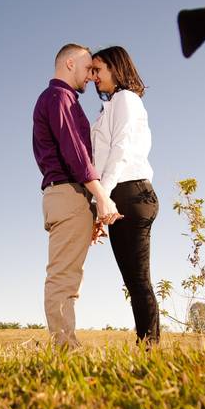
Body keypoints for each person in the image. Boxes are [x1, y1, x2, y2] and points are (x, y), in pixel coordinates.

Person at [32, 43, 121, 348]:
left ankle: (66, 344)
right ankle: (65, 349)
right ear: (70, 64)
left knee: (69, 277)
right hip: (67, 193)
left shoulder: (62, 98)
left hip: (71, 196)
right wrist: (102, 197)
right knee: (64, 277)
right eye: (87, 69)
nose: (91, 77)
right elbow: (75, 151)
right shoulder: (60, 97)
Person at [89, 46, 160, 344]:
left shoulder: (126, 99)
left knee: (139, 281)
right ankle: (147, 346)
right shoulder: (112, 105)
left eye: (98, 70)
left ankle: (150, 350)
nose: (93, 77)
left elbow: (120, 149)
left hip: (131, 192)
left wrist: (101, 197)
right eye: (91, 71)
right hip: (122, 193)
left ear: (116, 69)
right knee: (134, 281)